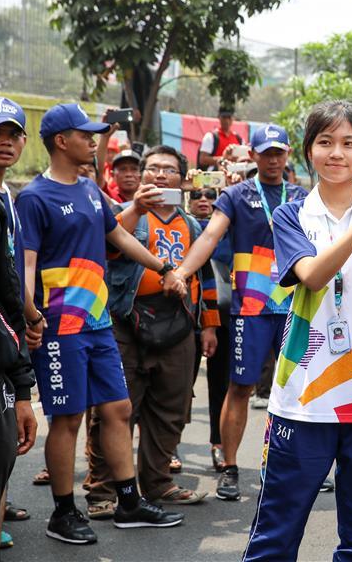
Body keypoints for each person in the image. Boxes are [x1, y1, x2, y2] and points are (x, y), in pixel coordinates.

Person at [241, 101, 352, 560]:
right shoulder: (291, 216)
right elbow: (312, 276)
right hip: (304, 398)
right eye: (326, 142)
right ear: (308, 151)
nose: (337, 153)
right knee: (276, 534)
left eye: (349, 143)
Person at [15, 103, 186, 544]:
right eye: (85, 134)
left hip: (98, 322)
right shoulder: (35, 197)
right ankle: (63, 512)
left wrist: (163, 268)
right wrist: (31, 317)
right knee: (68, 418)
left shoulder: (91, 189)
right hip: (60, 327)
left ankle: (129, 502)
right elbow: (26, 265)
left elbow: (121, 237)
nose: (93, 141)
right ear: (60, 141)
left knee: (118, 409)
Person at [166, 123, 307, 501]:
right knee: (241, 387)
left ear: (288, 154)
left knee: (296, 389)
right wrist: (181, 271)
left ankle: (294, 465)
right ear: (254, 155)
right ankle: (229, 467)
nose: (274, 159)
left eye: (280, 152)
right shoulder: (235, 195)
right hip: (251, 308)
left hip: (297, 305)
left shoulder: (302, 196)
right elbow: (209, 237)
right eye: (266, 152)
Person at [85, 145, 220, 515]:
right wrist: (136, 209)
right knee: (114, 409)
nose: (160, 175)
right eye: (153, 169)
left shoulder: (193, 224)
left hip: (177, 324)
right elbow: (108, 247)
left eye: (169, 170)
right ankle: (103, 492)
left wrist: (209, 326)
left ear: (183, 179)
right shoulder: (124, 214)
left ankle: (158, 484)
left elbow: (204, 279)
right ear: (142, 176)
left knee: (170, 410)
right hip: (126, 322)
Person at [0, 97, 38, 559]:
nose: (4, 142)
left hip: (8, 337)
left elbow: (10, 269)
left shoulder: (11, 195)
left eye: (12, 134)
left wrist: (29, 314)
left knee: (7, 438)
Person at [187, 186, 231, 472]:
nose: (204, 199)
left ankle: (219, 443)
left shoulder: (229, 224)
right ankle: (167, 450)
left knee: (222, 386)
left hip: (225, 315)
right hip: (185, 317)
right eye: (196, 194)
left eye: (212, 194)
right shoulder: (180, 223)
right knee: (177, 388)